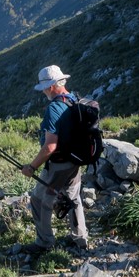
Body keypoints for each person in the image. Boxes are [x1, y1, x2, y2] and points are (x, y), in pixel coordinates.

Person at [20, 65, 88, 254]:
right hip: (76, 161)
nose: (43, 92)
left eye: (43, 88)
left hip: (58, 165)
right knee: (74, 199)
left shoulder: (54, 108)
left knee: (39, 199)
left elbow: (50, 146)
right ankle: (80, 239)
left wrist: (32, 167)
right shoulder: (75, 100)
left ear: (50, 87)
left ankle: (44, 242)